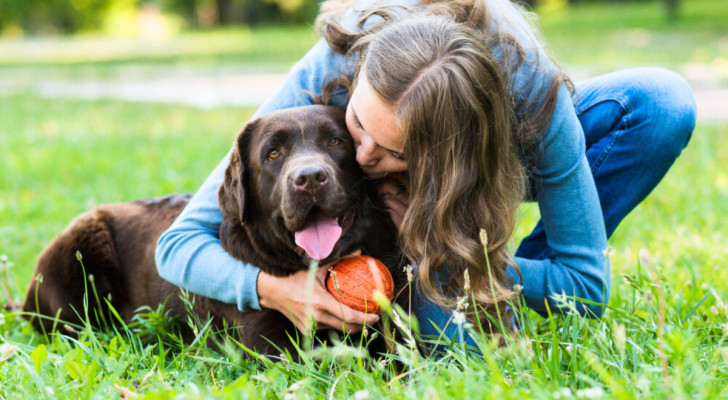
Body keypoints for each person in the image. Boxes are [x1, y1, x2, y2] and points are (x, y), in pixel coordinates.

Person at [155, 0, 696, 344]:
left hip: (465, 189)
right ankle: (471, 295)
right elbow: (179, 243)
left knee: (660, 101)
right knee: (452, 351)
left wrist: (458, 254)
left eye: (391, 152)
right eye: (357, 126)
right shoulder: (336, 57)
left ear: (444, 155)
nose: (362, 157)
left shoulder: (534, 94)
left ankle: (484, 283)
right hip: (402, 215)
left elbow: (585, 288)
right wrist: (276, 290)